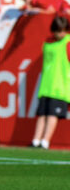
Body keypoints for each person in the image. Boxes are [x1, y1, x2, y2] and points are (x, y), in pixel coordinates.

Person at [31, 16, 70, 149]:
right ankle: (36, 140)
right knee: (42, 114)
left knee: (52, 115)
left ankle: (45, 141)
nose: (59, 34)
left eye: (61, 31)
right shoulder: (48, 42)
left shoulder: (68, 43)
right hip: (46, 85)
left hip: (60, 87)